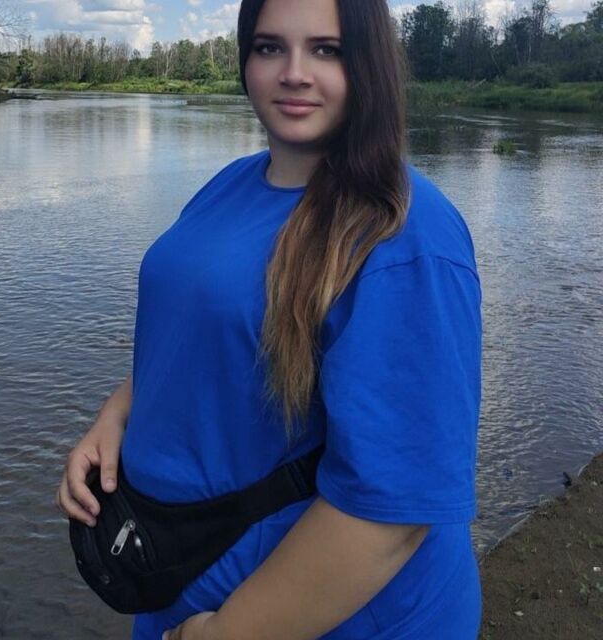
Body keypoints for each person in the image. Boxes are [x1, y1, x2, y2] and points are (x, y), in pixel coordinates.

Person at [56, 0, 483, 638]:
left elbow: (391, 512)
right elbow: (200, 340)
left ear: (370, 64)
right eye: (269, 47)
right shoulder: (231, 184)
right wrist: (116, 416)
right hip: (180, 579)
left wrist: (227, 632)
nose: (294, 72)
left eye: (327, 50)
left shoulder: (406, 233)